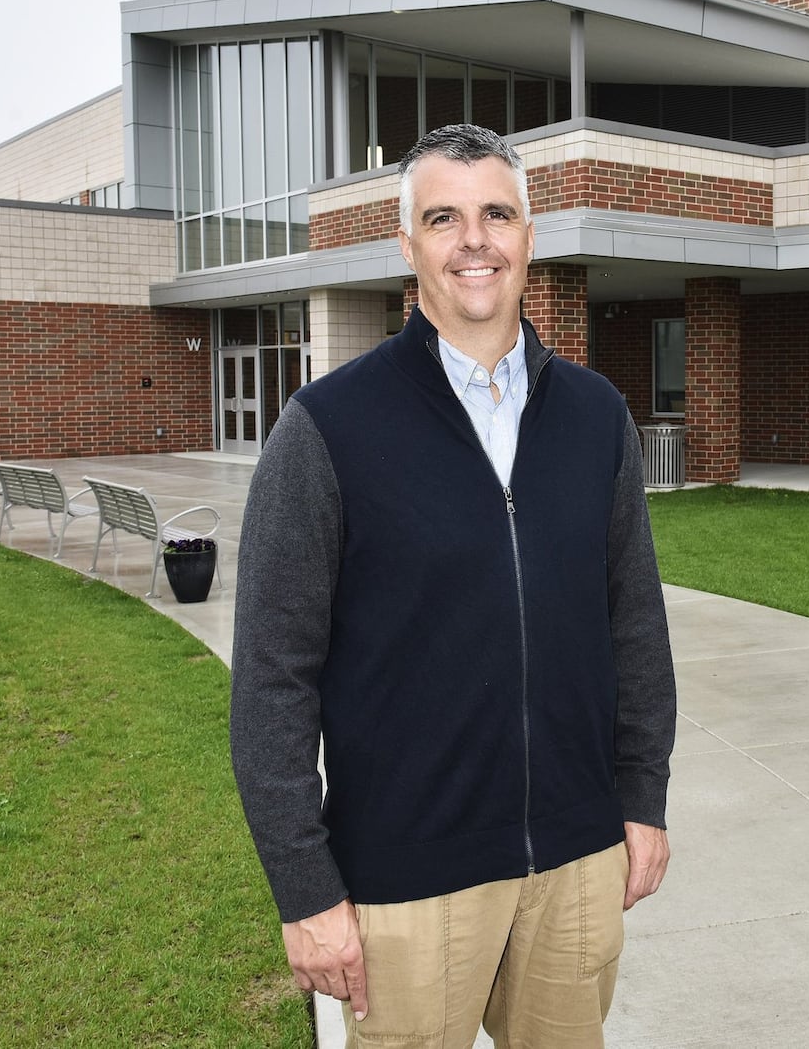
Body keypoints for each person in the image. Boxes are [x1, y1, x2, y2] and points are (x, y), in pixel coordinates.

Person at [229, 122, 677, 1047]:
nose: (475, 240)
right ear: (409, 244)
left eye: (497, 214)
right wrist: (307, 887)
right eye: (444, 217)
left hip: (576, 861)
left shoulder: (597, 417)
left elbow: (634, 622)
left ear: (529, 235)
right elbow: (272, 681)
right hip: (408, 880)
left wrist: (641, 797)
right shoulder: (327, 428)